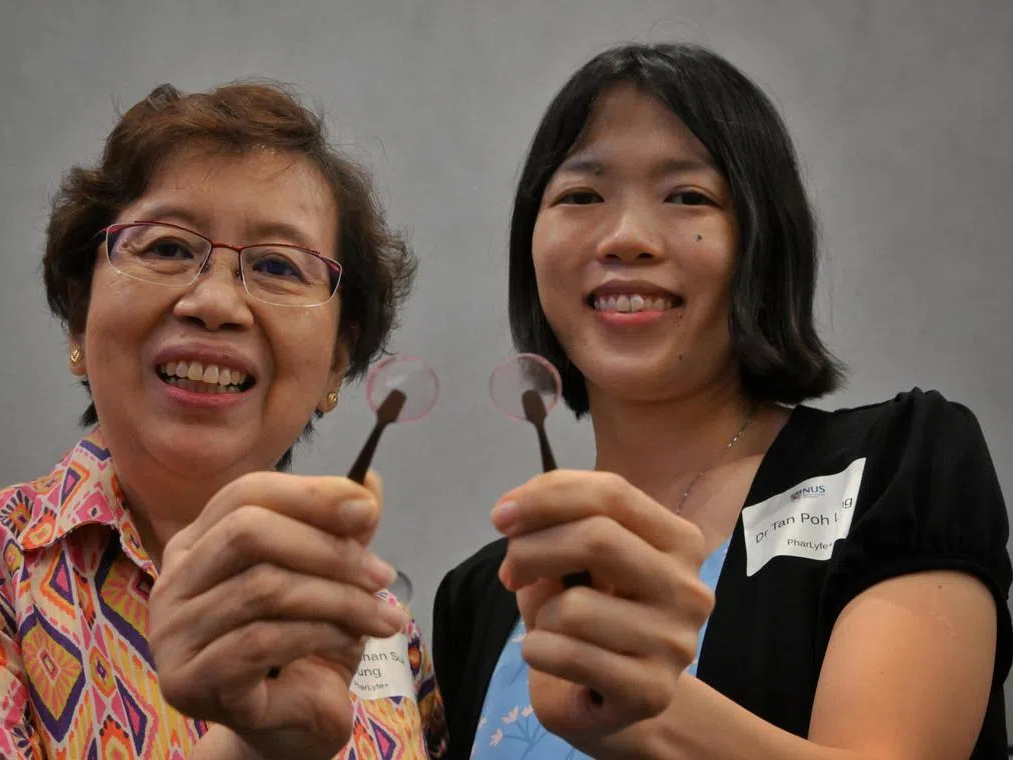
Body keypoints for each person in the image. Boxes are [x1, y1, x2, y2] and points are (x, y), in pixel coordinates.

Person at [433, 43, 1010, 759]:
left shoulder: (897, 467)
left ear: (763, 241)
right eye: (581, 196)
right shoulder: (483, 596)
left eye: (689, 197)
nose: (628, 239)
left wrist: (646, 714)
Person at [0, 82, 446, 759]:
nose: (214, 303)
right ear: (79, 316)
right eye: (168, 248)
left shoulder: (379, 629)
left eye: (277, 266)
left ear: (334, 366)